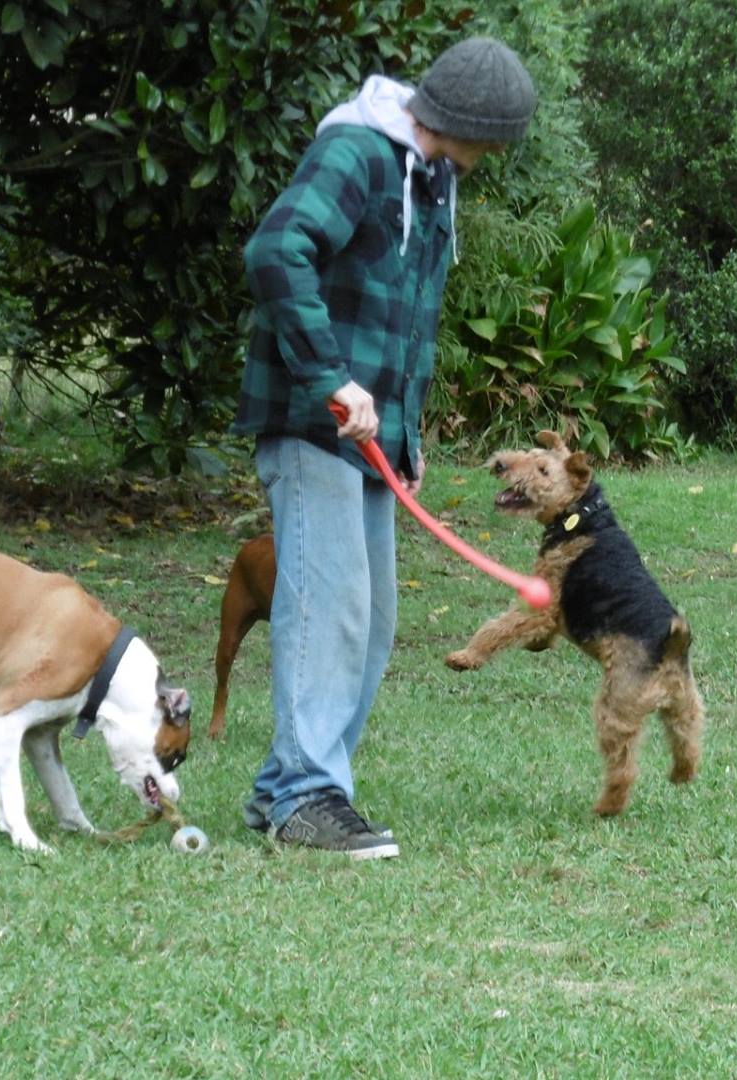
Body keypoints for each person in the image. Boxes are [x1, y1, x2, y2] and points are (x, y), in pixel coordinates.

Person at [233, 37, 537, 859]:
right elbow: (276, 251)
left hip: (371, 440)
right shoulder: (358, 154)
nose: (493, 155)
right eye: (494, 137)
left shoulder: (434, 179)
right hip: (311, 420)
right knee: (325, 610)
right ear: (466, 120)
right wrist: (332, 377)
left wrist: (403, 432)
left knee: (368, 623)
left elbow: (404, 317)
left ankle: (283, 789)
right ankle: (305, 798)